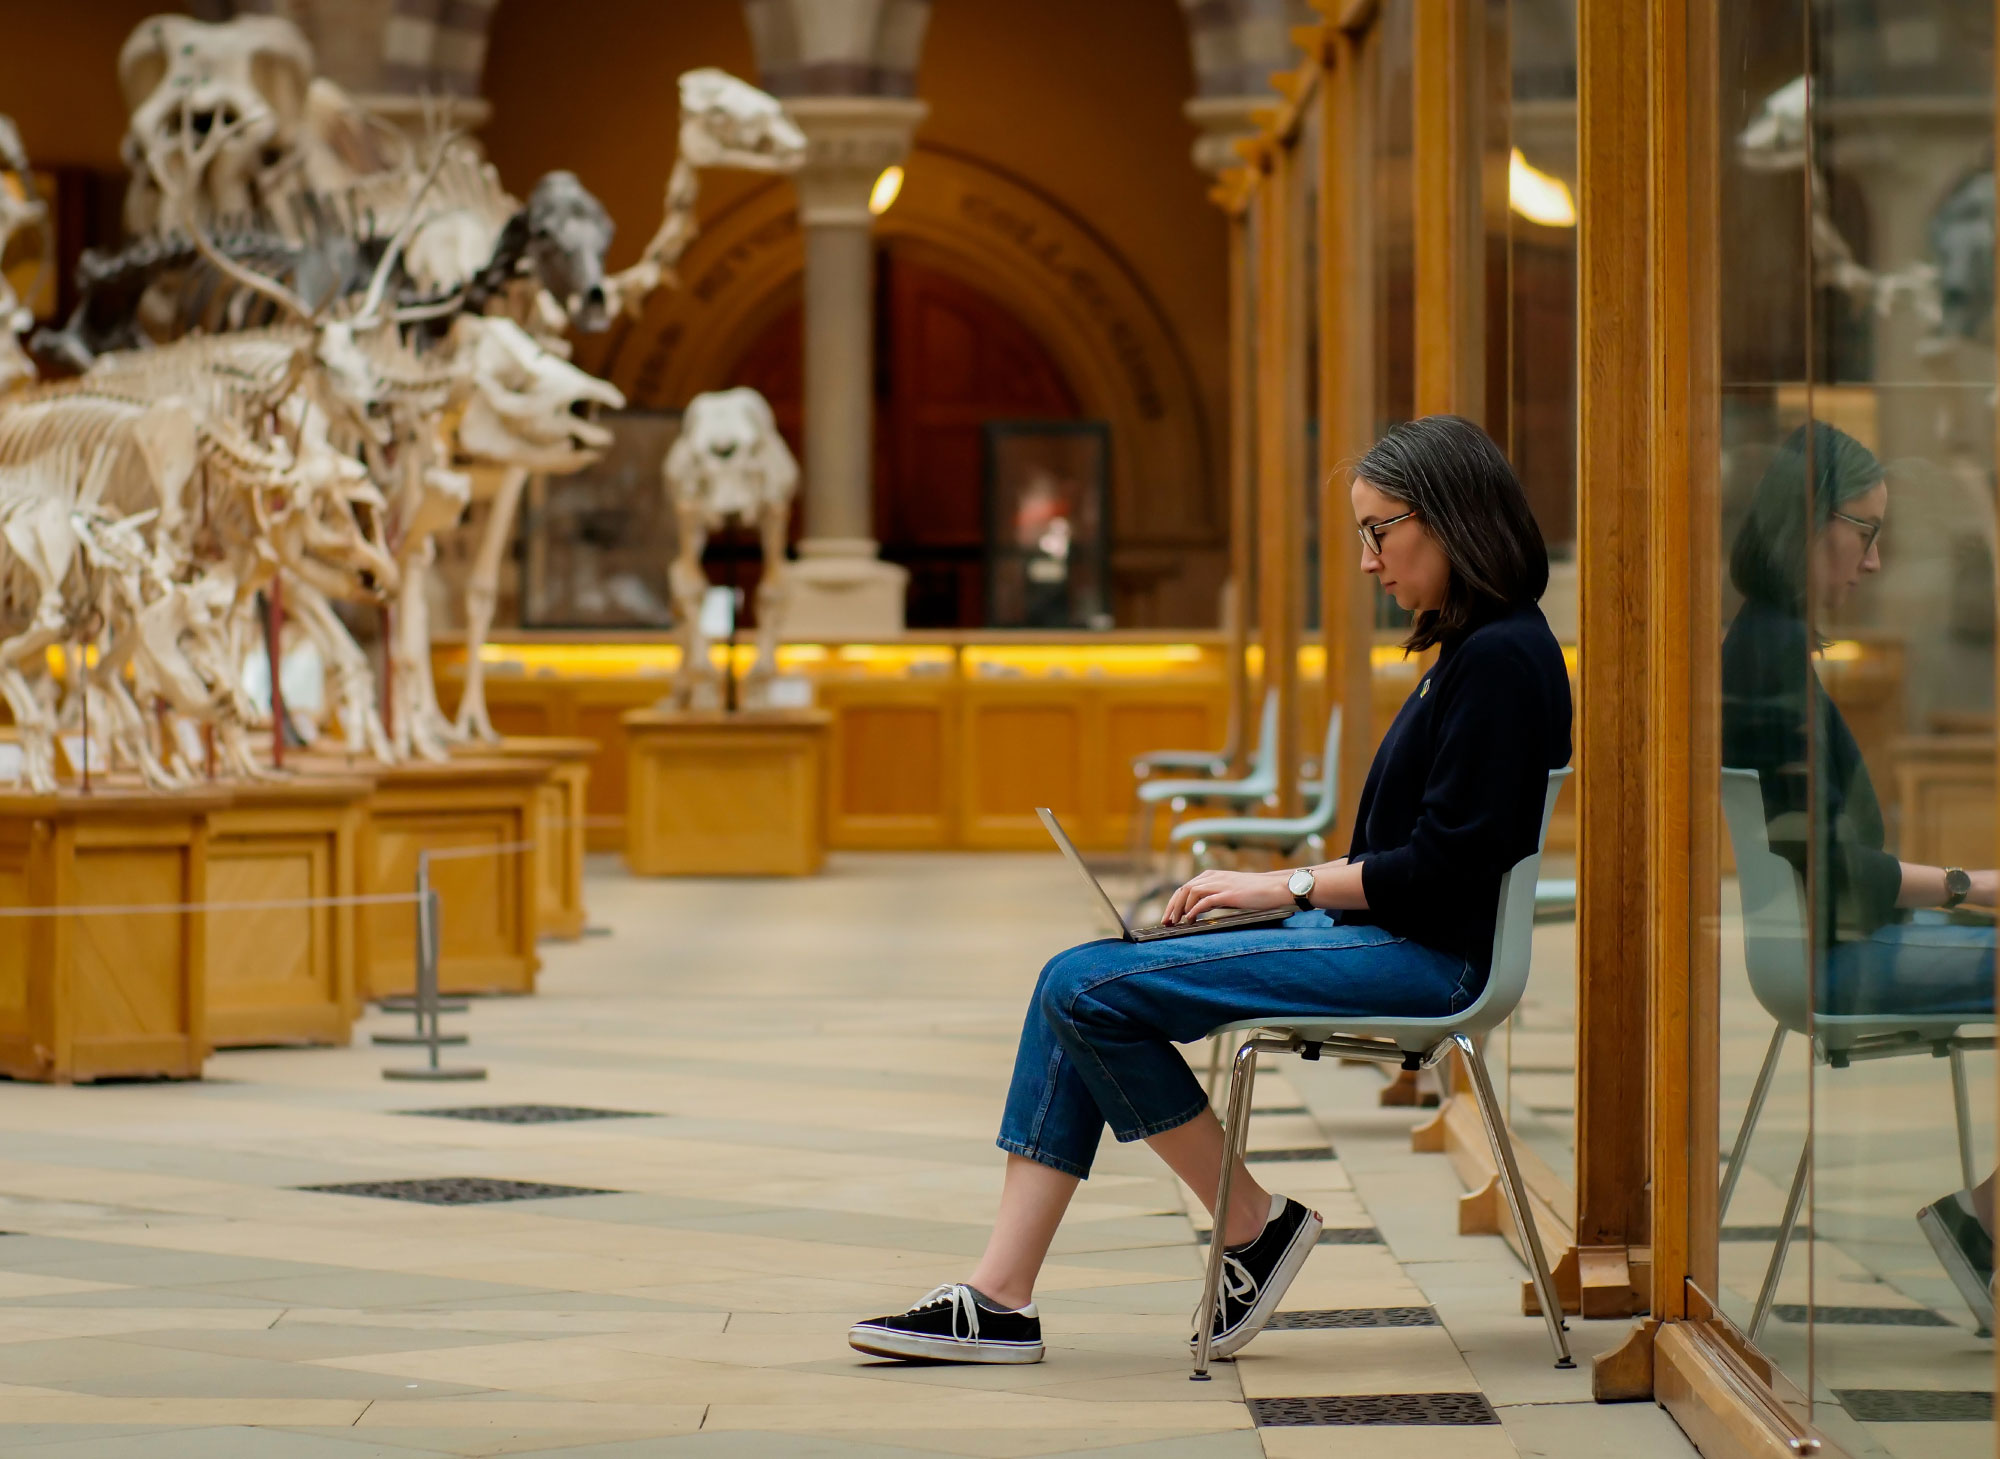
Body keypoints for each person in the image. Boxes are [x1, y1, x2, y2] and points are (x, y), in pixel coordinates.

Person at [848, 415, 1571, 1365]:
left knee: (1084, 985)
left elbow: (1446, 868)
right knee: (1075, 983)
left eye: (1377, 532)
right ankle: (1002, 1293)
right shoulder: (1479, 651)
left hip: (1429, 964)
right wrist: (1286, 896)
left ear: (1446, 520)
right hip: (1402, 943)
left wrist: (1285, 884)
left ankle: (1247, 1225)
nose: (1366, 562)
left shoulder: (1504, 660)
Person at [1722, 419, 1998, 1326]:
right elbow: (1838, 871)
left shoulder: (1766, 645)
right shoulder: (1769, 662)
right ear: (1808, 525)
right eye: (1865, 531)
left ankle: (1990, 1224)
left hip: (1814, 943)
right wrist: (1971, 886)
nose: (1873, 563)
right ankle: (1988, 1225)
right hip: (1831, 954)